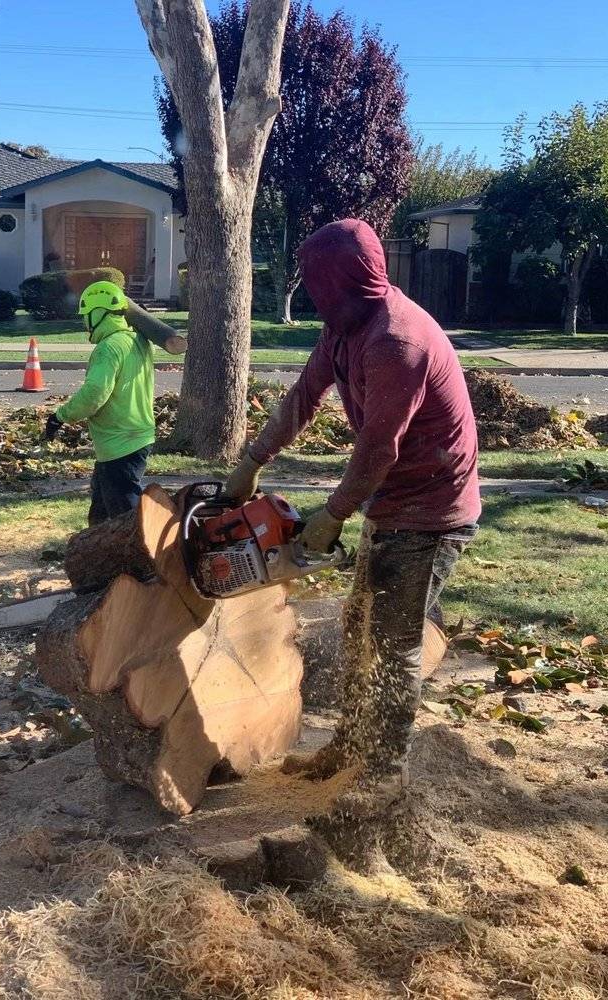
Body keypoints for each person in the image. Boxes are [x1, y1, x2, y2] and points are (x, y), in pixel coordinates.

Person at [224, 220, 481, 811]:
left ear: (340, 283)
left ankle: (381, 781)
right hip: (393, 499)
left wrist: (334, 514)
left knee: (393, 646)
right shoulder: (343, 329)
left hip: (432, 506)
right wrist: (252, 460)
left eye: (319, 287)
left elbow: (377, 447)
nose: (316, 298)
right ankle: (349, 748)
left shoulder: (396, 340)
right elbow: (304, 397)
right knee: (357, 626)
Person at [45, 280, 185, 525]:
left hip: (120, 440)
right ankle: (93, 549)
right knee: (101, 504)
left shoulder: (109, 348)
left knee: (125, 516)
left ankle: (141, 559)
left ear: (98, 313)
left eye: (86, 315)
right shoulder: (137, 340)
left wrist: (61, 416)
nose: (84, 322)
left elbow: (95, 394)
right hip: (134, 436)